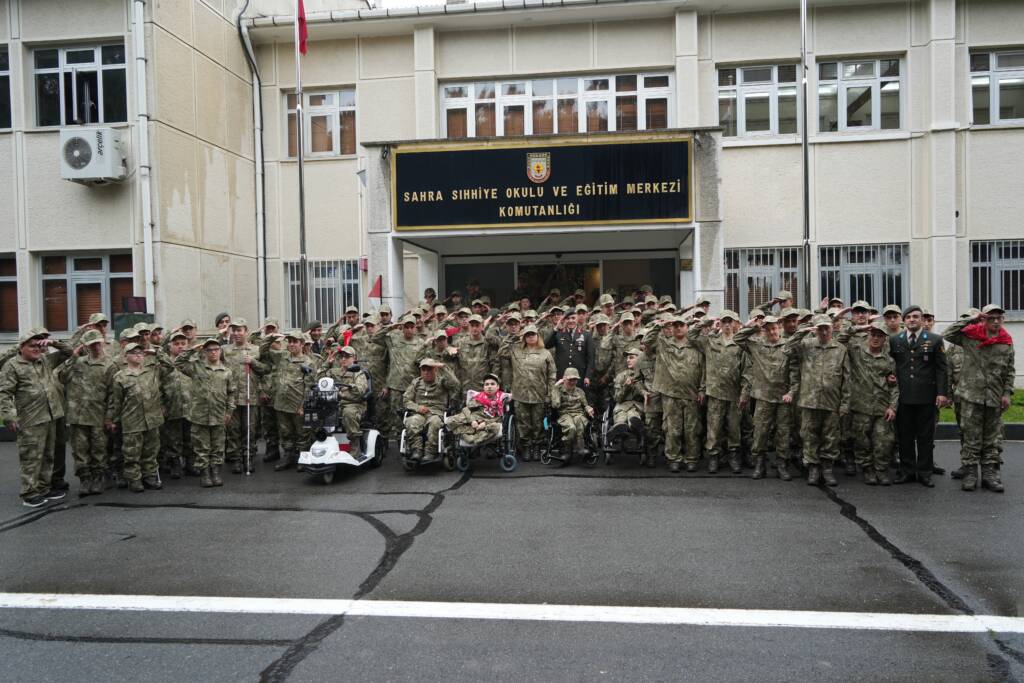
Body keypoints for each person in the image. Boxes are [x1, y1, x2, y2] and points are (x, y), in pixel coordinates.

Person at [943, 305, 1014, 493]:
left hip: (994, 397)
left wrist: (1007, 393)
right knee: (971, 437)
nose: (996, 321)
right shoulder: (970, 336)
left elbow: (1009, 370)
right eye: (991, 318)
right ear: (984, 319)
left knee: (991, 439)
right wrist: (973, 317)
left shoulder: (1006, 341)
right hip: (971, 396)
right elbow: (948, 333)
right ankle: (970, 473)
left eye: (999, 318)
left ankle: (990, 475)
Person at [0, 330, 71, 507]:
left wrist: (53, 343)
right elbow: (5, 393)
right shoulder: (13, 366)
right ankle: (29, 492)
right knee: (31, 457)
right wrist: (9, 416)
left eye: (38, 346)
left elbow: (69, 352)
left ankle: (44, 487)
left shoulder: (44, 361)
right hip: (31, 418)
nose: (36, 349)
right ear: (21, 347)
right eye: (32, 346)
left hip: (51, 415)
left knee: (48, 455)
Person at [783, 314, 850, 486]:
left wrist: (844, 403)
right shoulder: (806, 345)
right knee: (809, 435)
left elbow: (847, 378)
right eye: (820, 328)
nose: (824, 331)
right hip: (809, 400)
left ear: (832, 328)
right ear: (815, 329)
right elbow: (786, 350)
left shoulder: (840, 349)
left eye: (827, 327)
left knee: (830, 437)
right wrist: (802, 331)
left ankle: (827, 469)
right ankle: (813, 467)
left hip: (831, 401)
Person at [889, 305, 948, 487]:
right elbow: (891, 364)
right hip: (904, 396)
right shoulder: (895, 340)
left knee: (925, 437)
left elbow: (941, 369)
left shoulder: (935, 340)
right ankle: (907, 471)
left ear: (922, 320)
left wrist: (942, 393)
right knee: (905, 436)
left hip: (926, 396)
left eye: (916, 317)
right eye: (908, 317)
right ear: (904, 321)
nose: (912, 320)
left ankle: (924, 472)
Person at [734, 315, 794, 480]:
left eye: (774, 328)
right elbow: (737, 337)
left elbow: (795, 369)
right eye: (768, 329)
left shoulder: (788, 345)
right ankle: (760, 464)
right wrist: (754, 327)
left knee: (783, 432)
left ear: (779, 328)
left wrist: (792, 391)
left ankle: (782, 464)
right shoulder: (756, 345)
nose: (772, 332)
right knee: (760, 432)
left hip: (783, 397)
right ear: (764, 331)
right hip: (763, 397)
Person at [56, 329, 115, 497]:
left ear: (102, 343)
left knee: (99, 449)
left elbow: (113, 394)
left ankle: (98, 478)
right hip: (77, 416)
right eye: (92, 344)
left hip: (98, 415)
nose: (96, 346)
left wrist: (110, 417)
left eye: (98, 343)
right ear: (86, 346)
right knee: (80, 451)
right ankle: (85, 479)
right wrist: (73, 357)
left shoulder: (109, 365)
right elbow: (60, 377)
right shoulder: (78, 362)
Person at [642, 316, 704, 472]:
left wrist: (702, 389)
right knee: (672, 429)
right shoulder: (664, 344)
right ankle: (674, 458)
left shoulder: (695, 345)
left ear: (687, 327)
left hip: (691, 393)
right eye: (675, 326)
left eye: (681, 325)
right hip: (670, 394)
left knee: (692, 429)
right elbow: (647, 341)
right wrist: (659, 325)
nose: (678, 328)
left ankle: (691, 458)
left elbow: (704, 369)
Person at [171, 337, 236, 487]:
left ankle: (216, 472)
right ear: (204, 352)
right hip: (200, 414)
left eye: (216, 349)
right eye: (209, 350)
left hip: (219, 414)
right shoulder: (196, 367)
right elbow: (178, 363)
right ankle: (205, 474)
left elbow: (231, 392)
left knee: (218, 446)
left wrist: (229, 411)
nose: (213, 352)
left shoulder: (226, 371)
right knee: (201, 446)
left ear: (220, 351)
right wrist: (193, 349)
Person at [690, 311, 746, 474]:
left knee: (734, 428)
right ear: (720, 323)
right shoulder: (711, 342)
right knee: (714, 428)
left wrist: (744, 392)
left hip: (734, 392)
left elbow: (746, 370)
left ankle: (734, 456)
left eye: (730, 321)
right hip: (715, 393)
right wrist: (707, 321)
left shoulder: (740, 344)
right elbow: (692, 336)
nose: (727, 324)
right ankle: (713, 457)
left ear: (735, 323)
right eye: (724, 321)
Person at [844, 321, 899, 485]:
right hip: (861, 407)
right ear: (868, 335)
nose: (875, 338)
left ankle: (881, 470)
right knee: (862, 441)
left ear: (885, 339)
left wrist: (892, 407)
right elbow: (841, 338)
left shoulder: (889, 361)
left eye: (879, 336)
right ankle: (867, 469)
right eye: (873, 334)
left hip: (881, 408)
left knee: (884, 441)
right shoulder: (857, 351)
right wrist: (858, 328)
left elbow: (895, 386)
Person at [107, 343, 165, 493]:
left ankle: (150, 476)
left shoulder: (151, 371)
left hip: (152, 419)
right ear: (126, 356)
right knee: (132, 453)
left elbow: (170, 366)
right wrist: (114, 420)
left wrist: (156, 352)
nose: (139, 354)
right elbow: (116, 401)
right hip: (132, 421)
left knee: (151, 451)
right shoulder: (120, 376)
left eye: (140, 352)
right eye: (133, 352)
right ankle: (134, 479)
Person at [498, 323, 556, 462]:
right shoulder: (516, 350)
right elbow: (501, 353)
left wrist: (550, 394)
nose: (530, 337)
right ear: (523, 337)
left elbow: (552, 375)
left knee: (537, 424)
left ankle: (536, 447)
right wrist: (512, 337)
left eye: (532, 334)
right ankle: (525, 447)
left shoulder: (545, 353)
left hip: (539, 394)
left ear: (538, 336)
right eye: (527, 335)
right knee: (523, 424)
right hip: (520, 394)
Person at [260, 330, 316, 472]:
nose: (291, 344)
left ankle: (303, 457)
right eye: (289, 341)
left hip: (297, 404)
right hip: (281, 403)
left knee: (302, 433)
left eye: (294, 341)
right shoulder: (283, 356)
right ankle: (288, 456)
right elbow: (263, 351)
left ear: (302, 344)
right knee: (285, 433)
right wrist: (271, 337)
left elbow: (310, 386)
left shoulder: (308, 362)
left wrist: (303, 406)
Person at [372, 316, 423, 441]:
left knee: (413, 415)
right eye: (406, 327)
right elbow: (375, 338)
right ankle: (399, 442)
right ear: (402, 328)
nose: (409, 330)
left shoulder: (421, 342)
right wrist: (391, 327)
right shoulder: (393, 338)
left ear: (415, 328)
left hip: (413, 386)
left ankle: (413, 440)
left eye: (412, 327)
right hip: (396, 385)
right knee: (396, 416)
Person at [223, 319, 262, 474]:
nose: (236, 333)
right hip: (232, 397)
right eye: (234, 330)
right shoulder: (225, 350)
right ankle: (236, 459)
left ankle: (248, 457)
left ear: (246, 331)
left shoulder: (255, 350)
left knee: (249, 429)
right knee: (233, 430)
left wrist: (253, 362)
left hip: (249, 395)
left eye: (239, 330)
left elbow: (265, 370)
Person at [403, 358, 460, 462]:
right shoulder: (416, 382)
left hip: (436, 413)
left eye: (429, 369)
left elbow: (455, 384)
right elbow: (406, 400)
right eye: (423, 370)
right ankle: (417, 450)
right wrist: (417, 408)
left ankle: (430, 451)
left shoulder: (442, 381)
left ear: (435, 370)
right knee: (411, 422)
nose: (426, 372)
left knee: (434, 423)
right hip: (419, 413)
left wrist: (443, 368)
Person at [321, 345, 369, 459]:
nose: (343, 359)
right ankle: (322, 444)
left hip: (355, 405)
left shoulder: (358, 373)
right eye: (341, 356)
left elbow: (359, 392)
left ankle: (355, 447)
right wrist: (327, 363)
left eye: (347, 356)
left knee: (349, 413)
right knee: (317, 412)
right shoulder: (335, 372)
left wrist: (340, 393)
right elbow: (321, 380)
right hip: (336, 404)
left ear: (354, 358)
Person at [445, 373, 506, 448]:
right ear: (483, 387)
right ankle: (469, 434)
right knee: (450, 421)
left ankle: (471, 437)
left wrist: (484, 424)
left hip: (488, 423)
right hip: (472, 420)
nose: (489, 387)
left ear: (498, 387)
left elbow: (500, 418)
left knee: (495, 427)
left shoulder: (502, 400)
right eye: (486, 384)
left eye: (492, 384)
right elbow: (466, 409)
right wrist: (472, 421)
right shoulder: (478, 398)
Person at [550, 367, 594, 463]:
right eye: (570, 379)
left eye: (575, 379)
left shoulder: (580, 391)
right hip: (565, 414)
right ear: (564, 379)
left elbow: (585, 405)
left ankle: (581, 448)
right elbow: (555, 405)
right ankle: (567, 451)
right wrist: (555, 387)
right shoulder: (559, 391)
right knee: (571, 428)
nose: (573, 382)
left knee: (579, 423)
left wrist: (589, 409)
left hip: (578, 413)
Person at [609, 348, 645, 443]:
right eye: (627, 358)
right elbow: (617, 398)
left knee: (633, 415)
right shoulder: (621, 376)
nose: (628, 360)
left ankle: (633, 426)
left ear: (640, 359)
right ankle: (619, 428)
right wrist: (626, 387)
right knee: (621, 416)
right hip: (622, 405)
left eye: (631, 357)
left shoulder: (645, 375)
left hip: (638, 406)